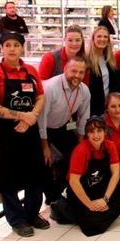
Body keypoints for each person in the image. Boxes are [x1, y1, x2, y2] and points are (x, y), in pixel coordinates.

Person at [0, 31, 46, 237]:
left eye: (16, 45)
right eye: (7, 45)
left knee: (35, 172)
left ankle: (32, 214)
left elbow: (41, 97)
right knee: (7, 177)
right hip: (3, 134)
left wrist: (32, 116)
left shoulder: (31, 71)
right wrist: (22, 116)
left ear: (21, 48)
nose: (11, 48)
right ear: (1, 48)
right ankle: (17, 220)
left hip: (29, 130)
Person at [53, 117, 120, 236]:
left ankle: (102, 209)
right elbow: (74, 182)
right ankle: (60, 208)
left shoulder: (109, 145)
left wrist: (105, 199)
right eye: (91, 131)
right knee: (94, 223)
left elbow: (116, 173)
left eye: (99, 131)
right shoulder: (81, 150)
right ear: (87, 134)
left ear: (105, 132)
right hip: (80, 190)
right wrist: (90, 205)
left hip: (99, 184)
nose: (96, 135)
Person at [38, 56, 91, 204]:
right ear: (65, 69)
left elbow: (84, 118)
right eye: (74, 71)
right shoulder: (50, 88)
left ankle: (70, 189)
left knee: (75, 156)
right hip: (41, 129)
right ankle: (52, 198)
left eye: (81, 72)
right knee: (46, 161)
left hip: (62, 126)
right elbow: (41, 119)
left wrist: (80, 144)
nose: (77, 75)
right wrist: (45, 146)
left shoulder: (84, 90)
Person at [87, 26, 120, 116]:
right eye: (99, 36)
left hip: (108, 109)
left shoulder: (110, 59)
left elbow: (110, 80)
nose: (102, 39)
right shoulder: (86, 60)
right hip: (92, 110)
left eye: (105, 37)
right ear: (93, 39)